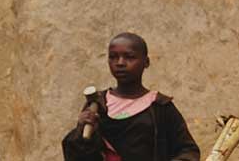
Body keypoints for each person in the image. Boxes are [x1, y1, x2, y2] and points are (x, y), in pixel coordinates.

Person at [63, 33, 201, 161]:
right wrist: (80, 132)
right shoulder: (97, 105)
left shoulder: (160, 107)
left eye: (129, 57)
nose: (120, 63)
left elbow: (188, 151)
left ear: (146, 62)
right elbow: (79, 156)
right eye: (113, 57)